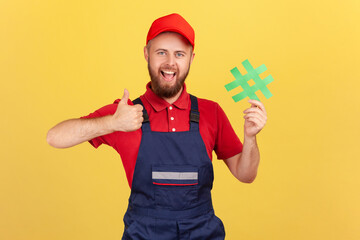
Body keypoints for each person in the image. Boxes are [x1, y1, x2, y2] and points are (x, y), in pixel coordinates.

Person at [47, 13, 267, 240]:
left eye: (179, 54)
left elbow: (246, 174)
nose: (170, 63)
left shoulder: (211, 113)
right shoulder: (126, 112)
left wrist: (251, 137)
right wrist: (112, 122)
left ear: (191, 58)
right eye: (161, 52)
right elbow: (55, 137)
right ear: (146, 54)